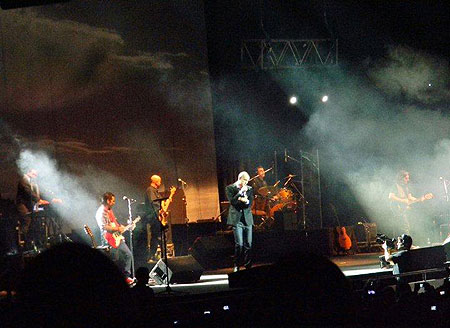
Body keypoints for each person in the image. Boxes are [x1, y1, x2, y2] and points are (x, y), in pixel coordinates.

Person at [95, 192, 134, 284]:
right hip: (108, 239)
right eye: (113, 201)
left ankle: (126, 277)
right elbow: (104, 227)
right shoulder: (101, 212)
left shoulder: (109, 210)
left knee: (127, 255)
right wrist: (117, 229)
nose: (114, 203)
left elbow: (114, 223)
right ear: (108, 201)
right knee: (116, 259)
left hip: (117, 237)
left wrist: (123, 227)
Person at [388, 170, 433, 236]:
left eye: (408, 178)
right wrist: (402, 201)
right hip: (397, 209)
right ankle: (406, 244)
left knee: (406, 226)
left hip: (404, 209)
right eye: (406, 178)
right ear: (401, 178)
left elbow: (410, 198)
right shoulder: (395, 186)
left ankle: (406, 243)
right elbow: (390, 196)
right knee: (404, 226)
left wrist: (422, 198)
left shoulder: (406, 187)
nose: (408, 180)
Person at [226, 171, 254, 272]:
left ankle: (248, 266)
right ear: (240, 178)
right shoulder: (230, 188)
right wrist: (240, 193)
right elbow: (233, 202)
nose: (246, 182)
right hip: (237, 220)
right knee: (239, 244)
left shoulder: (250, 189)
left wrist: (245, 201)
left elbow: (250, 203)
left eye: (247, 180)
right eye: (245, 180)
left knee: (249, 244)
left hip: (247, 219)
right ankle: (236, 265)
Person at [144, 175, 176, 262]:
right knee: (158, 237)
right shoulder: (150, 190)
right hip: (154, 217)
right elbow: (154, 203)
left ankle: (153, 256)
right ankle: (155, 256)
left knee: (158, 237)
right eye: (159, 181)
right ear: (155, 181)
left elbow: (160, 203)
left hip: (158, 217)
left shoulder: (155, 191)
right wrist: (160, 213)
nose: (160, 183)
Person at [15, 168, 50, 248]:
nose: (35, 176)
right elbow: (28, 192)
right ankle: (24, 244)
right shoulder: (24, 180)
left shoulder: (30, 181)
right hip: (22, 205)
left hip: (28, 205)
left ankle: (33, 242)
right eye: (34, 174)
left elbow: (35, 193)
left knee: (33, 221)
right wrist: (39, 200)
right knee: (27, 220)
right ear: (28, 172)